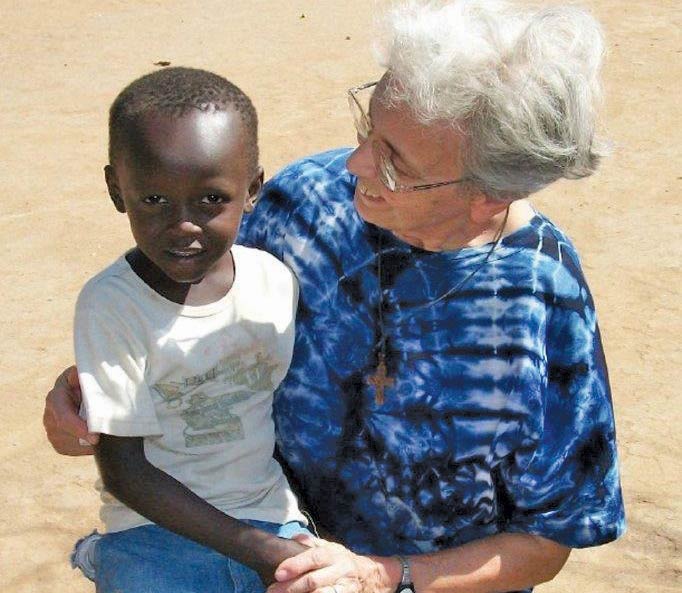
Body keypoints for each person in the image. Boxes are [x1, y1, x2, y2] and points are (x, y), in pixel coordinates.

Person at [44, 2, 625, 593]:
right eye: (369, 129)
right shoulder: (305, 205)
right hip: (273, 560)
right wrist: (87, 384)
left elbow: (547, 542)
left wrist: (381, 576)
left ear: (491, 194)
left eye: (395, 163)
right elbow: (181, 311)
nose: (357, 163)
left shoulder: (545, 301)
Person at [65, 66, 313, 593]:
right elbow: (124, 470)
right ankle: (106, 556)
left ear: (251, 190)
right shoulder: (112, 305)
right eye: (153, 200)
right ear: (116, 189)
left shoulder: (272, 281)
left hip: (268, 512)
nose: (183, 226)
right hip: (152, 528)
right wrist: (256, 549)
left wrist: (277, 541)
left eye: (210, 200)